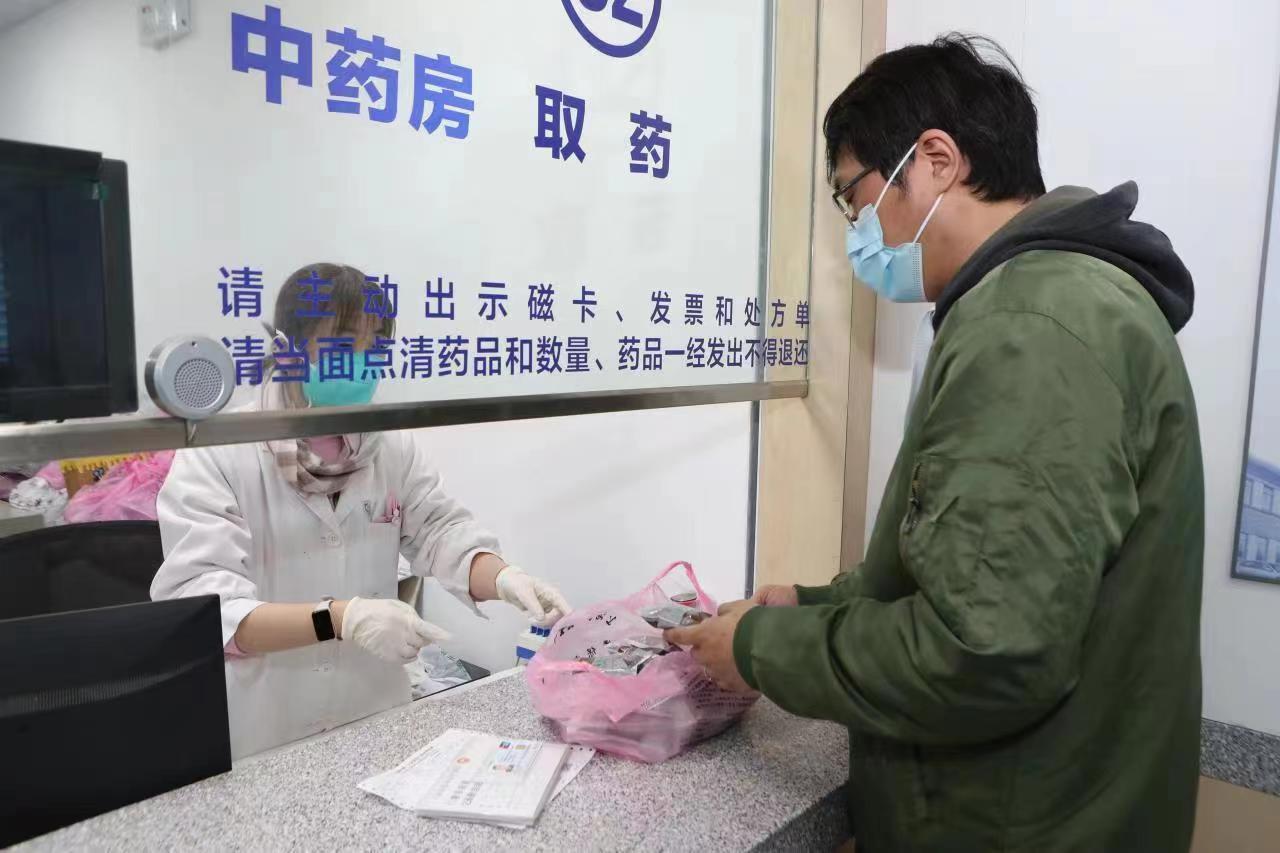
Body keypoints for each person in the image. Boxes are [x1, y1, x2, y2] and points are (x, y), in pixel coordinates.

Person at [668, 35, 1204, 853]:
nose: (857, 232)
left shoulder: (1031, 327)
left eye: (854, 197)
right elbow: (964, 562)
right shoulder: (1055, 300)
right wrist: (813, 604)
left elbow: (983, 652)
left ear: (937, 160)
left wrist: (756, 647)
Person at [152, 263, 570, 760]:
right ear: (287, 349)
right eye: (344, 343)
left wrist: (503, 577)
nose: (361, 363)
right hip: (266, 726)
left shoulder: (388, 446)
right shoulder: (220, 453)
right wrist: (339, 619)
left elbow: (440, 531)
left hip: (374, 712)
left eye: (376, 347)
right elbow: (209, 611)